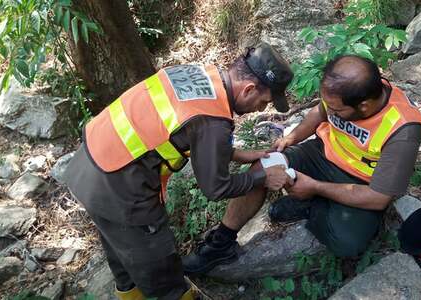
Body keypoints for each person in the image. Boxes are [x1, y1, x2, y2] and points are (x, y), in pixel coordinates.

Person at [64, 43, 294, 300]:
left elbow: (179, 129)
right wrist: (263, 176)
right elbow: (216, 187)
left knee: (123, 257)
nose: (262, 110)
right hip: (121, 191)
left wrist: (236, 154)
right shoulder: (214, 122)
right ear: (249, 89)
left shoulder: (199, 74)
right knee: (163, 275)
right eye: (264, 102)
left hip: (89, 165)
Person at [183, 55, 421, 275]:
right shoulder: (343, 93)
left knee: (347, 243)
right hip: (320, 154)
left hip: (361, 181)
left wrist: (315, 188)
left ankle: (312, 205)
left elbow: (379, 198)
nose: (329, 110)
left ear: (363, 106)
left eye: (336, 109)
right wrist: (292, 138)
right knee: (262, 168)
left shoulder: (403, 129)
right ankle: (220, 243)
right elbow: (318, 113)